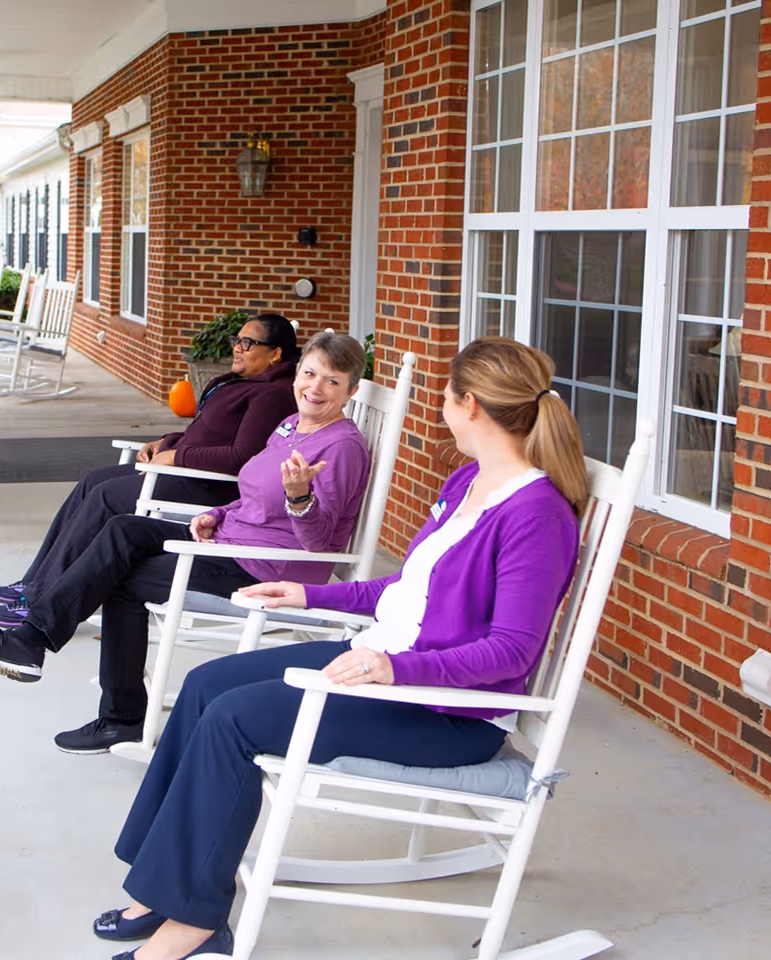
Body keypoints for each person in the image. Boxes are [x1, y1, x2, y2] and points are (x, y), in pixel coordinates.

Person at [89, 337, 588, 960]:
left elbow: (512, 651)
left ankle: (196, 921)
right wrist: (310, 595)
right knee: (206, 685)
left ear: (471, 406)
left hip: (442, 710)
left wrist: (393, 666)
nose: (442, 409)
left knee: (233, 721)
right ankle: (164, 884)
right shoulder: (468, 483)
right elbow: (406, 590)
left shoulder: (535, 515)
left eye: (447, 398)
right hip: (386, 670)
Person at [0, 332, 372, 755]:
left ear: (350, 391)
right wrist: (217, 514)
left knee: (123, 582)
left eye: (332, 381)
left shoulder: (342, 448)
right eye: (310, 373)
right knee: (124, 529)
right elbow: (252, 494)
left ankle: (116, 714)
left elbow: (319, 543)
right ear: (297, 372)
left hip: (268, 567)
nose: (316, 388)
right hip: (233, 540)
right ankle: (33, 642)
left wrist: (299, 496)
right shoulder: (290, 426)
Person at [0, 314, 301, 623]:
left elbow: (240, 456)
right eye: (237, 340)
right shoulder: (249, 382)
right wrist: (165, 442)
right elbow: (207, 432)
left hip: (209, 487)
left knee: (107, 496)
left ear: (275, 353)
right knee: (93, 481)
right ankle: (34, 583)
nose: (237, 348)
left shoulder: (272, 394)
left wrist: (175, 457)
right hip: (186, 472)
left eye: (248, 343)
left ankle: (39, 598)